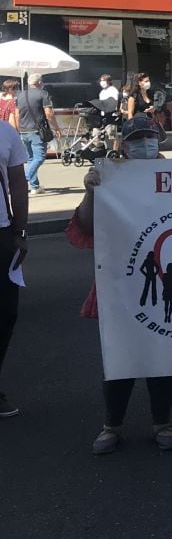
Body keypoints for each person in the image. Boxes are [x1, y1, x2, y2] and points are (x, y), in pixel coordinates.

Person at [69, 114, 172, 453]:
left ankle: (162, 421)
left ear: (160, 141)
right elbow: (85, 226)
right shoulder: (112, 177)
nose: (145, 145)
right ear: (124, 146)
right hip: (122, 281)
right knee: (120, 354)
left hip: (170, 281)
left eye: (150, 137)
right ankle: (111, 425)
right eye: (136, 139)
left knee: (164, 353)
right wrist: (91, 191)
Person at [0, 116, 29, 418]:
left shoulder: (5, 132)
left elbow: (18, 184)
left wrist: (21, 232)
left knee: (6, 314)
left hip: (1, 232)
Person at [17, 74, 59, 197]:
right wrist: (56, 128)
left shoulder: (20, 95)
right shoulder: (43, 94)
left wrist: (18, 128)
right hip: (37, 131)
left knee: (31, 158)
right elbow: (49, 114)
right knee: (39, 157)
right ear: (40, 82)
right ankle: (23, 179)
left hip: (23, 130)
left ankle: (35, 187)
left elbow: (16, 114)